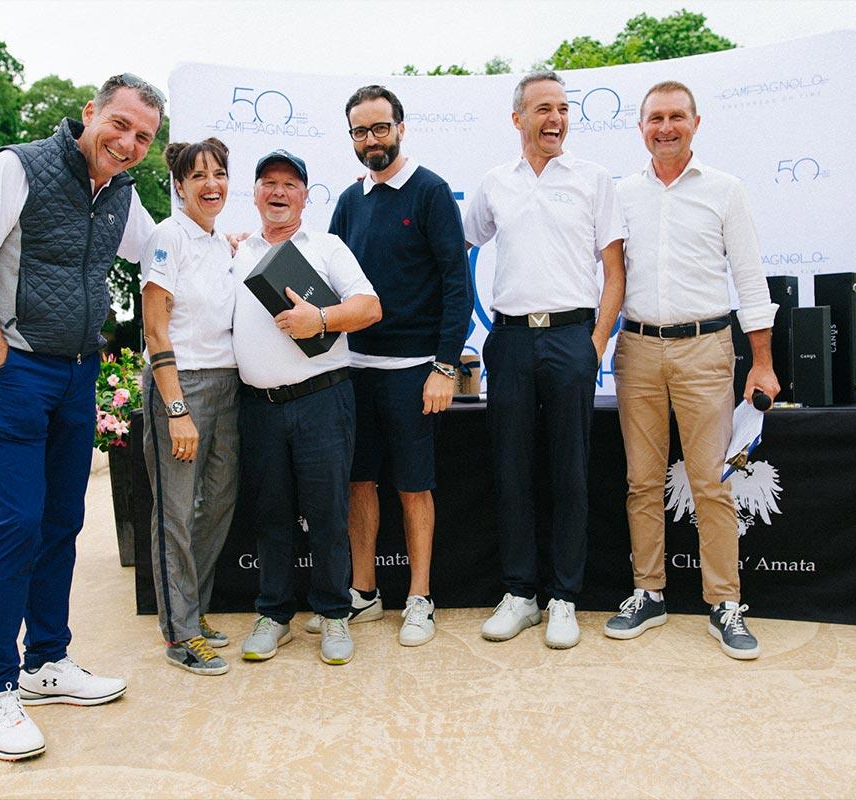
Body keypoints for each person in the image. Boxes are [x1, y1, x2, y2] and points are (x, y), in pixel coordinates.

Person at [0, 73, 164, 761]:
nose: (127, 143)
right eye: (120, 124)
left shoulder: (122, 193)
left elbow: (162, 251)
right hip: (15, 368)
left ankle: (45, 661)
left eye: (143, 137)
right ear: (90, 112)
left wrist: (231, 238)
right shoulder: (17, 167)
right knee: (16, 524)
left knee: (63, 520)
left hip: (77, 372)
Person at [603, 80, 779, 660]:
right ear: (641, 128)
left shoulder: (725, 190)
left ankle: (725, 603)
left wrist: (762, 363)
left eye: (676, 116)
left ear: (696, 123)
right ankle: (648, 593)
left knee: (713, 481)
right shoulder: (621, 194)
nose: (666, 127)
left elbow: (750, 279)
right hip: (637, 350)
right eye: (655, 118)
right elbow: (608, 278)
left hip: (707, 350)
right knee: (641, 480)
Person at [303, 85, 472, 647]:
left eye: (380, 128)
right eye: (360, 131)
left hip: (415, 369)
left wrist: (444, 367)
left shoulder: (431, 192)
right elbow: (328, 277)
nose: (371, 139)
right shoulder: (350, 202)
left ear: (400, 127)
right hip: (352, 368)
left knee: (414, 486)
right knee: (359, 482)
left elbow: (457, 285)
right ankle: (365, 593)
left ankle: (420, 597)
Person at [462, 71, 626, 650]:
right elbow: (459, 248)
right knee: (510, 469)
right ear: (518, 118)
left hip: (571, 338)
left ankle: (563, 598)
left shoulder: (593, 179)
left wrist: (597, 341)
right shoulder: (494, 183)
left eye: (562, 108)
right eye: (543, 109)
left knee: (569, 471)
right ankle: (520, 595)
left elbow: (615, 272)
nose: (555, 118)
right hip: (509, 341)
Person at [232, 149, 382, 666]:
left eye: (290, 184)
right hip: (259, 407)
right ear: (255, 193)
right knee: (270, 514)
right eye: (269, 182)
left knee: (327, 514)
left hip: (322, 400)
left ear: (305, 195)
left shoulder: (327, 246)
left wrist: (318, 319)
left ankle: (335, 614)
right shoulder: (236, 251)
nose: (279, 192)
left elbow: (370, 307)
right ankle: (274, 615)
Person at [140, 138, 238, 677]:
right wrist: (176, 408)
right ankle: (178, 634)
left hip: (229, 384)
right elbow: (155, 329)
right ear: (179, 186)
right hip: (181, 386)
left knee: (217, 504)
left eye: (218, 174)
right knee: (175, 512)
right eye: (198, 176)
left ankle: (193, 612)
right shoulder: (167, 236)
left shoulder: (223, 242)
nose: (210, 184)